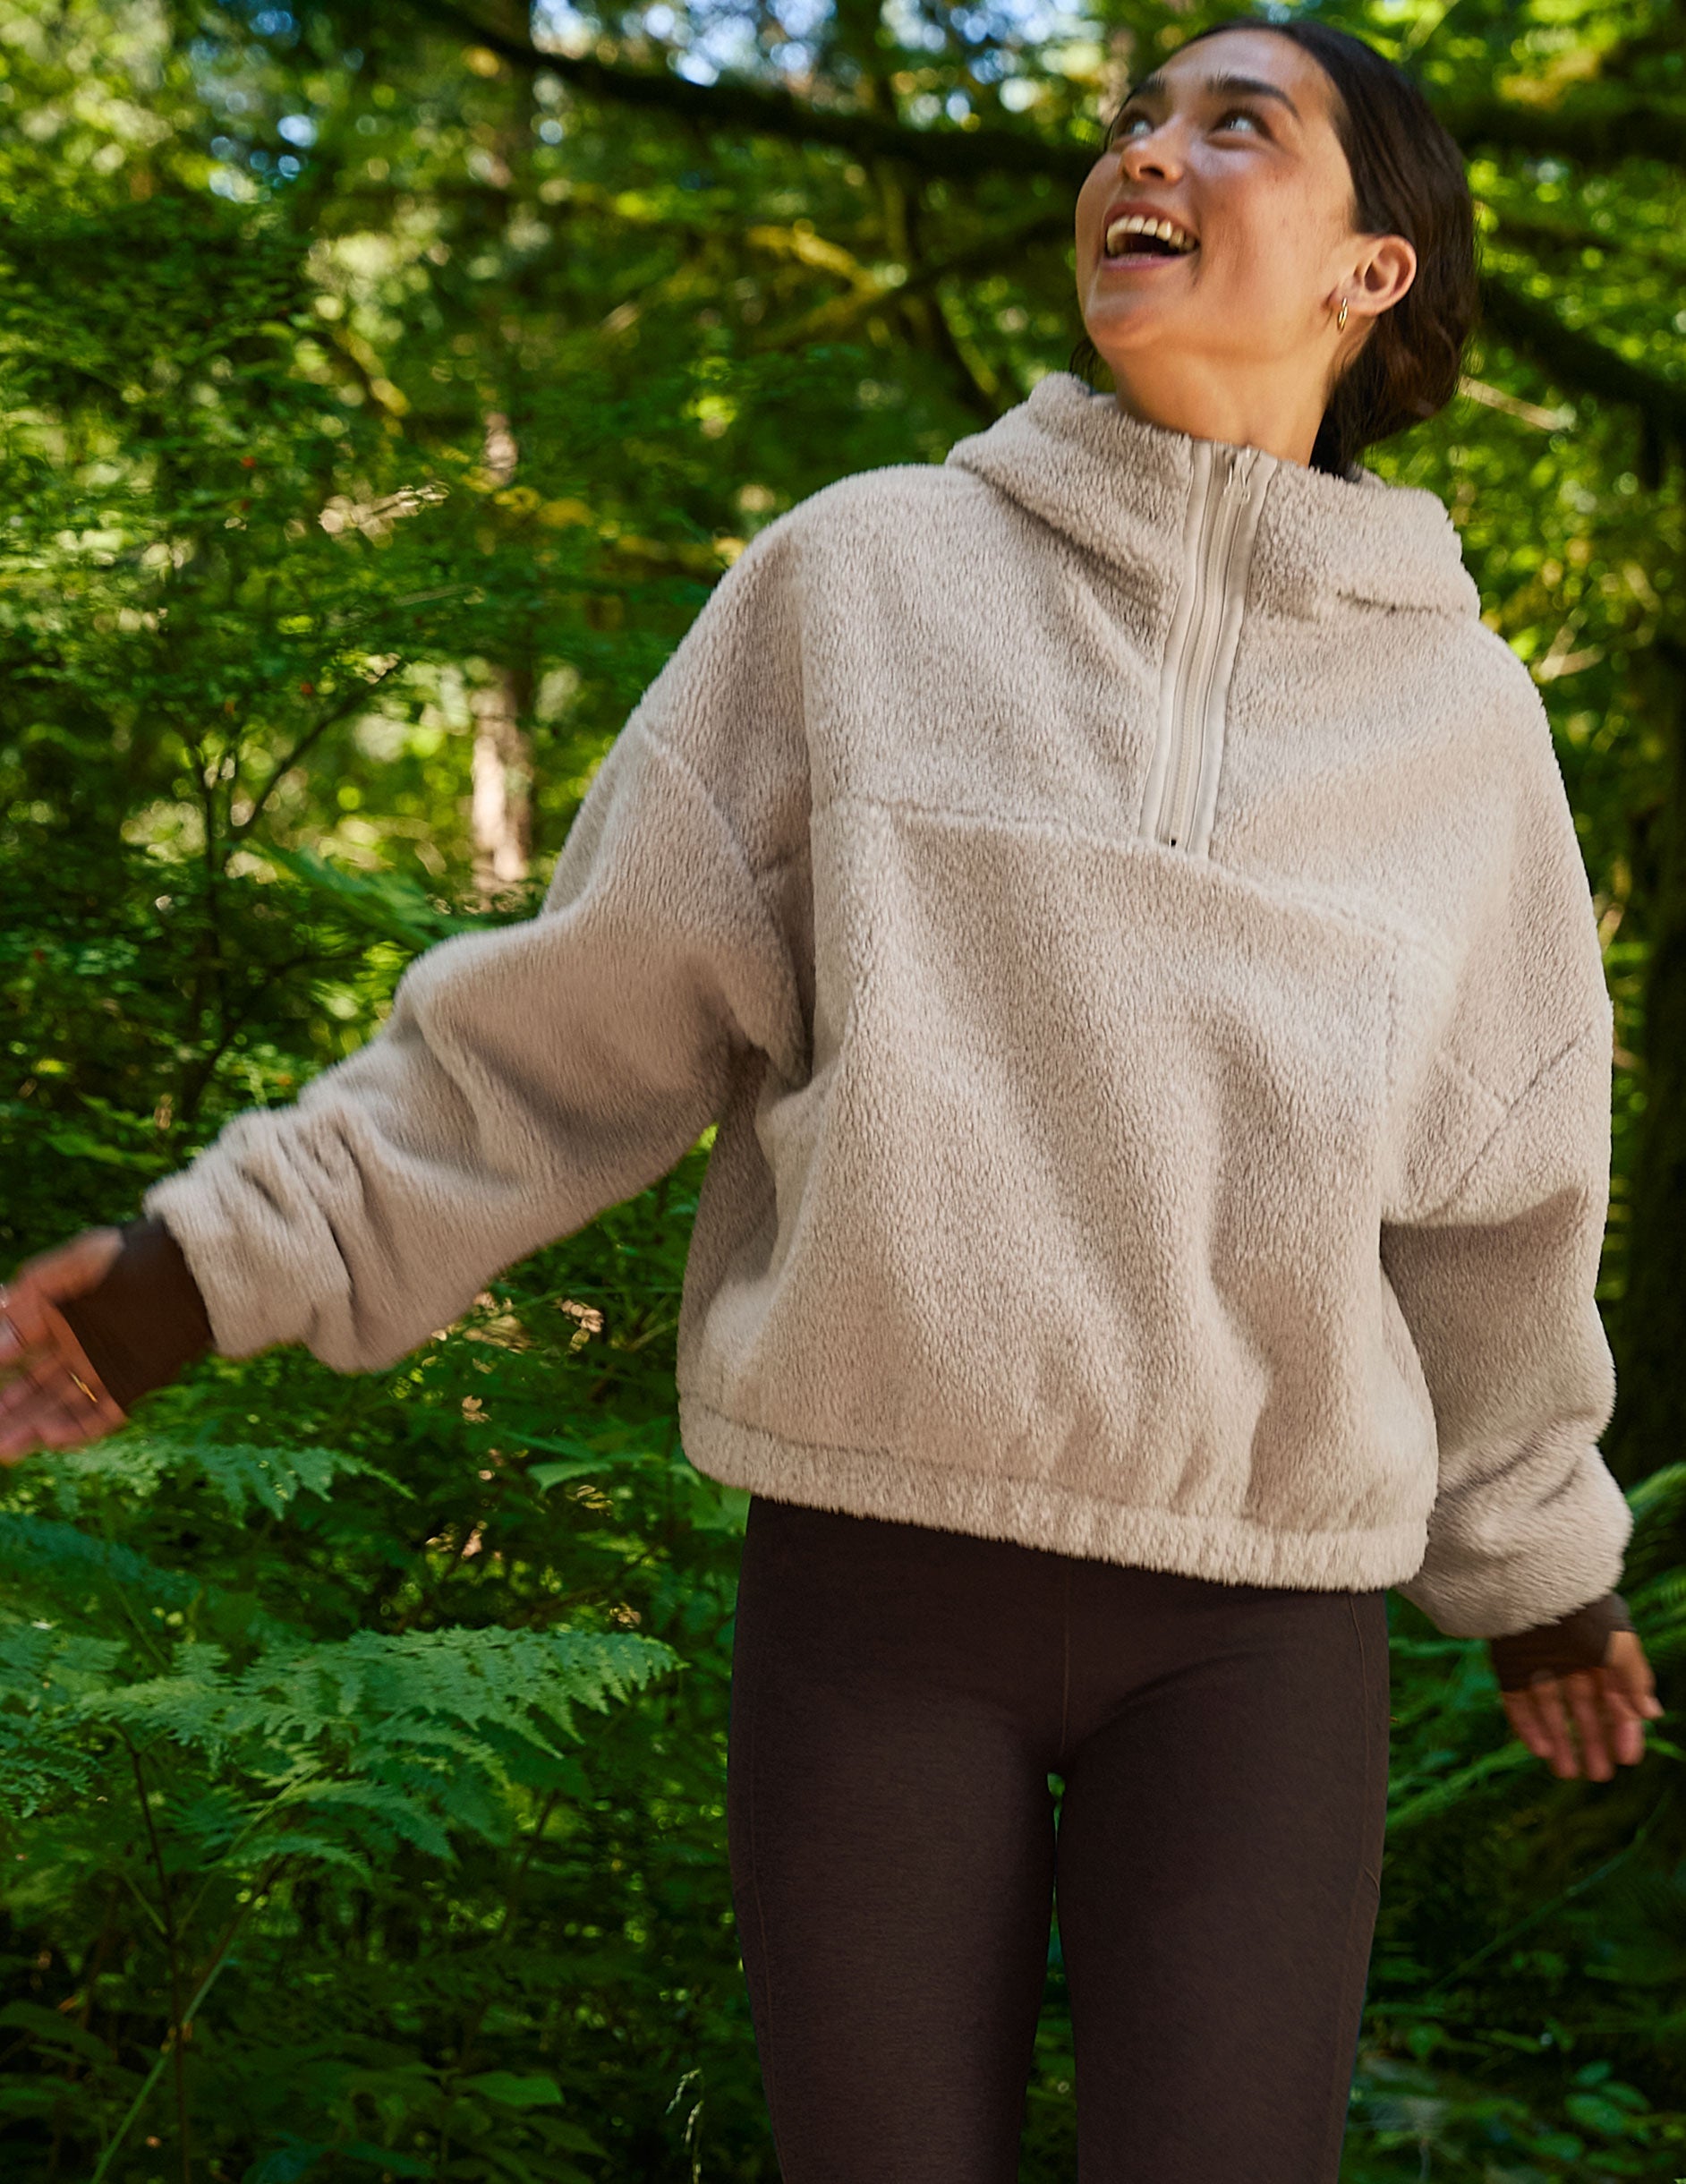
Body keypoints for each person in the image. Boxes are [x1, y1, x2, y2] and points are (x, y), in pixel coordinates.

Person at [0, 17, 1665, 2179]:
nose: (1144, 153)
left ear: (1375, 269)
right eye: (1127, 119)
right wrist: (180, 1281)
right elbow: (557, 1035)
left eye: (1232, 126)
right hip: (879, 1600)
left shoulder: (1458, 722)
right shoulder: (864, 578)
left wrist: (1541, 1567)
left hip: (1259, 1628)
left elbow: (1501, 1207)